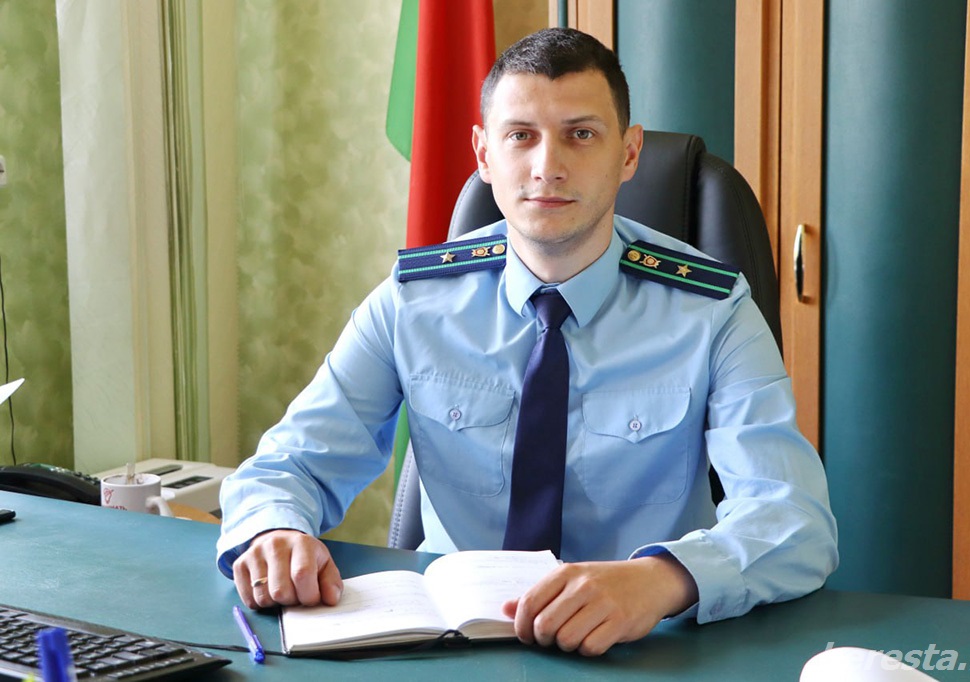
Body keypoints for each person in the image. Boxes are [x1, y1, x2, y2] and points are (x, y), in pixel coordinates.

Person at [217, 27, 838, 657]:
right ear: (484, 155)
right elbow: (288, 465)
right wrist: (274, 531)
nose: (548, 167)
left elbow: (795, 519)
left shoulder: (713, 311)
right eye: (521, 136)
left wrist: (661, 580)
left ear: (629, 154)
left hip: (639, 649)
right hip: (451, 650)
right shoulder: (413, 302)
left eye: (581, 134)